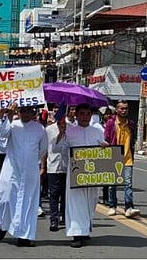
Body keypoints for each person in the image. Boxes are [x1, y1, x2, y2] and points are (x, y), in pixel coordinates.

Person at [52, 103, 107, 248]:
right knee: (76, 203)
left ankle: (84, 229)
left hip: (93, 174)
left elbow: (105, 148)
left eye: (87, 114)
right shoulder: (70, 131)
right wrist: (61, 133)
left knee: (90, 202)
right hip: (76, 174)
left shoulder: (97, 130)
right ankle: (76, 234)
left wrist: (104, 146)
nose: (85, 117)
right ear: (76, 115)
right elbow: (57, 149)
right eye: (81, 114)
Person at [0, 104, 48, 247]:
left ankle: (23, 235)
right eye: (22, 110)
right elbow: (2, 134)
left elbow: (43, 149)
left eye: (28, 111)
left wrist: (36, 164)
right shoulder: (13, 125)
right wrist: (9, 116)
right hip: (11, 167)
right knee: (4, 198)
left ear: (33, 112)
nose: (25, 114)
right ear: (18, 111)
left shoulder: (40, 129)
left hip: (30, 169)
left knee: (28, 202)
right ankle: (2, 225)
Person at [105, 100, 140, 218]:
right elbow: (106, 138)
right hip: (114, 156)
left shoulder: (131, 124)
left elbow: (133, 140)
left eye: (126, 108)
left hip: (127, 158)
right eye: (121, 108)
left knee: (128, 184)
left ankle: (129, 207)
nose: (124, 110)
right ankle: (112, 206)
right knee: (112, 183)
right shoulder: (111, 123)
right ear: (117, 109)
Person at [44, 116, 68, 231]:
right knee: (54, 194)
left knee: (65, 194)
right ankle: (54, 219)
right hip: (53, 167)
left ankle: (64, 215)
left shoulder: (72, 129)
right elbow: (52, 149)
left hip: (67, 167)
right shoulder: (49, 130)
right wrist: (60, 134)